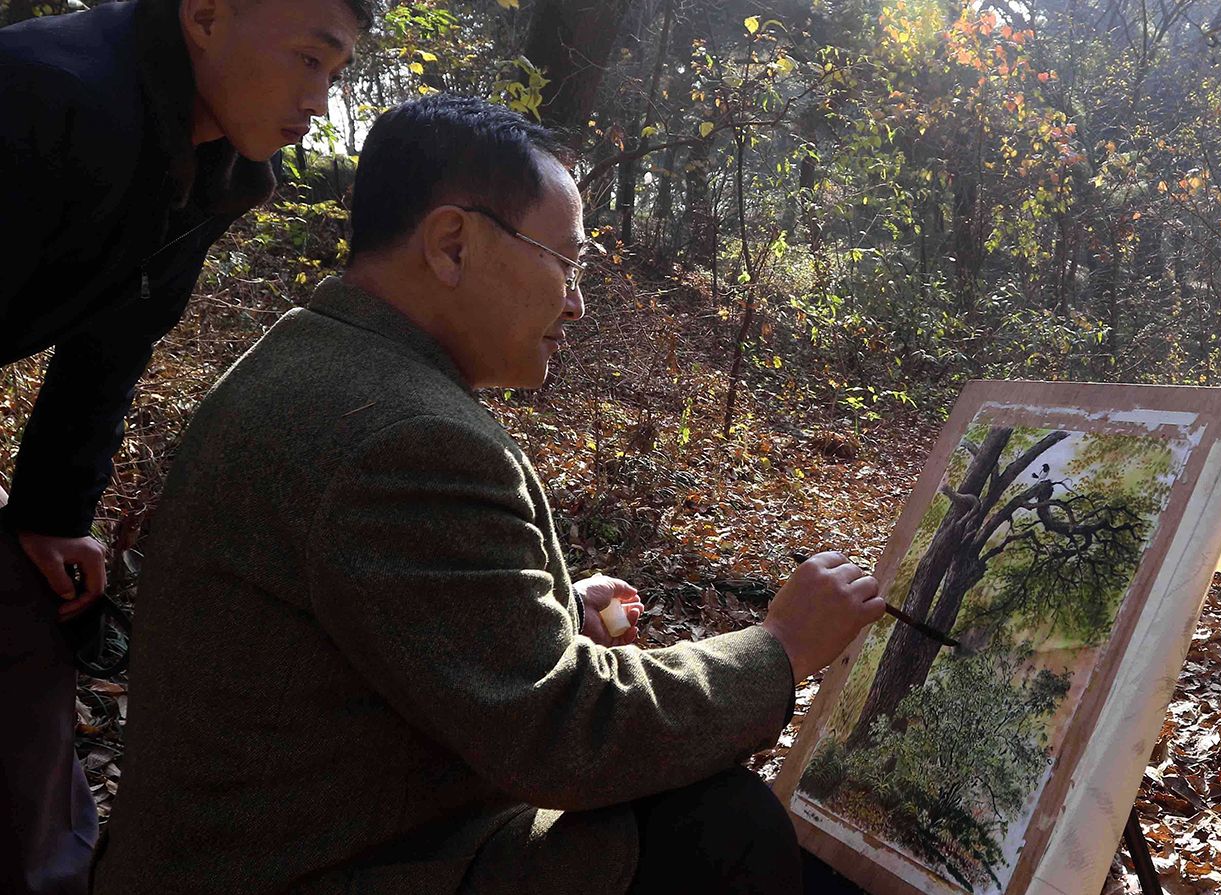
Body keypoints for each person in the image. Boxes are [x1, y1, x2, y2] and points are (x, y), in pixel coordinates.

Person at [92, 93, 887, 893]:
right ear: (451, 244)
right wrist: (780, 647)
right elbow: (566, 733)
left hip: (265, 843)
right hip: (306, 866)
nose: (576, 301)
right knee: (717, 824)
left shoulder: (314, 357)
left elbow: (366, 631)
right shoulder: (404, 439)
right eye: (568, 263)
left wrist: (554, 616)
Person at [0, 1, 367, 890]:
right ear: (203, 14)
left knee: (29, 609)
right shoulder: (51, 98)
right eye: (308, 60)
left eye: (337, 71)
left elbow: (110, 348)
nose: (319, 101)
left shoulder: (215, 164)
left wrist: (52, 515)